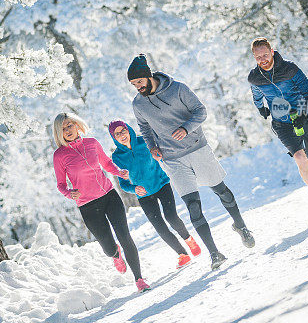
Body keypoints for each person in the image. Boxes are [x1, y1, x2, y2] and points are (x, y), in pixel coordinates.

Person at [127, 55, 255, 271]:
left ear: (149, 76)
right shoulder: (138, 104)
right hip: (172, 159)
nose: (137, 87)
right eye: (133, 84)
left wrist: (186, 128)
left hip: (197, 148)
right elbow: (145, 129)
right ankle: (214, 253)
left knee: (221, 190)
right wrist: (152, 147)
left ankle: (241, 226)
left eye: (139, 81)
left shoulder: (177, 89)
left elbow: (201, 111)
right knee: (193, 205)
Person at [247, 37, 308, 217]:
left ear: (271, 51)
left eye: (264, 54)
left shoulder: (289, 69)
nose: (262, 59)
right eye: (258, 57)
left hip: (305, 117)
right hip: (282, 124)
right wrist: (261, 107)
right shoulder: (254, 78)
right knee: (300, 158)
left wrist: (304, 114)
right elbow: (256, 95)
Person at [52, 112, 150, 292]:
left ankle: (139, 279)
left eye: (70, 125)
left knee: (125, 236)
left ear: (76, 125)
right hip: (87, 205)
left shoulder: (92, 143)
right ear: (59, 132)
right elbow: (60, 184)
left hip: (109, 196)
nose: (67, 130)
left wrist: (119, 172)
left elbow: (106, 163)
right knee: (107, 246)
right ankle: (115, 254)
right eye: (63, 128)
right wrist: (68, 193)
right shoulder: (59, 156)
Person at [108, 120, 201, 269]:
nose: (121, 135)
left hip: (162, 184)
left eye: (123, 130)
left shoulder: (144, 141)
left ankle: (188, 238)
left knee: (171, 216)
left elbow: (162, 154)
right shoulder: (117, 157)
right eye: (117, 134)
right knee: (160, 227)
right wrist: (134, 189)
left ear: (128, 129)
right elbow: (124, 184)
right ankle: (182, 254)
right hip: (144, 195)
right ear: (114, 137)